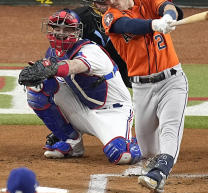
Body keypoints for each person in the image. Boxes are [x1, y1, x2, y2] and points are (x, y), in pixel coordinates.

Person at [89, 0, 187, 193]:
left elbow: (168, 7)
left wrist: (168, 18)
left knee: (170, 131)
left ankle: (159, 173)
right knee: (147, 150)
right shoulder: (110, 17)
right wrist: (154, 25)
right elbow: (129, 27)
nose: (112, 1)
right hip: (142, 88)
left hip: (172, 81)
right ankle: (156, 171)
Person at [23, 9, 139, 164]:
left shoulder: (90, 50)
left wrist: (51, 68)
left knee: (122, 156)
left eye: (67, 29)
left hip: (113, 111)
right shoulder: (52, 53)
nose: (61, 33)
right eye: (56, 28)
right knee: (38, 86)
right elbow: (57, 80)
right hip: (83, 107)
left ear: (77, 32)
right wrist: (44, 73)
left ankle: (144, 142)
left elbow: (75, 66)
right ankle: (71, 142)